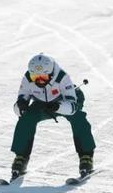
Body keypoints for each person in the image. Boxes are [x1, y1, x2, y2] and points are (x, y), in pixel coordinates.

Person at [9, 54, 96, 182]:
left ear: (51, 73)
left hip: (64, 102)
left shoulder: (62, 77)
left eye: (43, 77)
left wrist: (58, 107)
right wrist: (20, 106)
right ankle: (21, 157)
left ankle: (86, 156)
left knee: (78, 118)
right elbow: (20, 105)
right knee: (26, 119)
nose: (39, 81)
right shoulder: (28, 78)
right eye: (35, 77)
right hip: (42, 104)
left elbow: (72, 106)